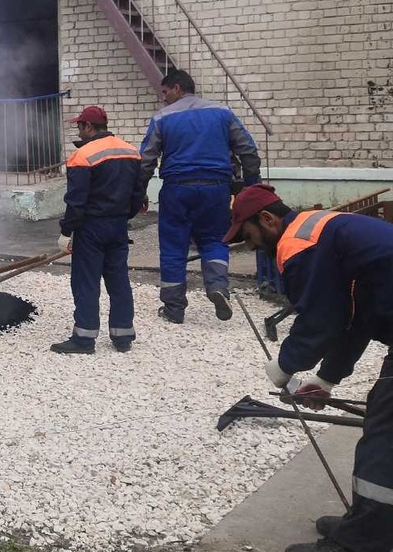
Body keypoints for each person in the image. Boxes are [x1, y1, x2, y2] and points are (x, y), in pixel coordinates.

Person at [228, 184, 393, 552]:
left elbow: (320, 320)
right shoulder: (328, 231)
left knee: (384, 437)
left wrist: (283, 366)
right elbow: (355, 318)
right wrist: (326, 378)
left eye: (248, 236)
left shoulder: (300, 245)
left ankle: (359, 550)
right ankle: (367, 527)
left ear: (267, 220)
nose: (250, 247)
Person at [138, 69, 261, 324]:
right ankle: (217, 286)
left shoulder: (162, 118)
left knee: (173, 246)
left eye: (165, 91)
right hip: (216, 189)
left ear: (178, 88)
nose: (163, 98)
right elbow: (248, 150)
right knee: (215, 239)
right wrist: (251, 187)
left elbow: (146, 161)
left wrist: (138, 192)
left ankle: (174, 308)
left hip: (177, 189)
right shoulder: (223, 113)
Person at [51, 106, 147, 354]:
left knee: (86, 282)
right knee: (118, 280)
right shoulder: (130, 151)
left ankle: (84, 338)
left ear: (89, 126)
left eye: (80, 127)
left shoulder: (82, 156)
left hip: (92, 227)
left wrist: (66, 232)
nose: (79, 132)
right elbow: (138, 195)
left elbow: (76, 201)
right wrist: (124, 216)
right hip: (118, 226)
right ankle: (123, 335)